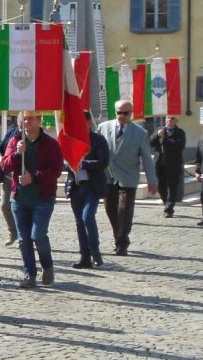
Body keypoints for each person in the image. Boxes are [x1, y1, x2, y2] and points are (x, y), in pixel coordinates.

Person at [1, 111, 63, 287]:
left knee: (38, 235)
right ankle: (30, 274)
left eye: (30, 118)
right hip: (20, 199)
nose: (26, 122)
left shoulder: (51, 144)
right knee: (24, 239)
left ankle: (47, 265)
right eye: (23, 119)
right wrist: (16, 155)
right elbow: (5, 166)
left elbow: (56, 170)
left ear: (39, 120)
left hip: (43, 198)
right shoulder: (15, 142)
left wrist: (34, 178)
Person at [97, 100, 158, 256]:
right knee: (111, 209)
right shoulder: (103, 128)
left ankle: (122, 241)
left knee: (124, 210)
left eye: (125, 113)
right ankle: (118, 236)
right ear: (115, 112)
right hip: (108, 176)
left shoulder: (140, 133)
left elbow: (146, 158)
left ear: (131, 113)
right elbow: (97, 150)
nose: (121, 116)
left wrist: (152, 180)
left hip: (128, 177)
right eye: (119, 112)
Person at [67, 111, 110, 268]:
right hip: (75, 186)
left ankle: (95, 253)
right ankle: (84, 257)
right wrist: (70, 163)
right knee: (79, 222)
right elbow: (64, 161)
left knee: (87, 218)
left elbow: (103, 161)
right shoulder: (70, 139)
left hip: (92, 186)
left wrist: (84, 164)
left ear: (88, 123)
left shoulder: (98, 140)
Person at [0, 117, 20, 246]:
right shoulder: (11, 132)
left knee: (21, 208)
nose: (24, 122)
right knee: (4, 205)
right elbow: (3, 152)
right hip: (8, 177)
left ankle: (25, 235)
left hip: (22, 178)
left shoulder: (32, 135)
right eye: (21, 119)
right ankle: (13, 232)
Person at [151, 115, 186, 218]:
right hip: (159, 164)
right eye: (168, 118)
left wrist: (164, 140)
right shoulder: (159, 130)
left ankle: (169, 209)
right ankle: (167, 202)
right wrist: (157, 136)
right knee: (161, 187)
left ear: (176, 121)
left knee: (172, 187)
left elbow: (179, 146)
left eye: (172, 118)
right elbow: (151, 142)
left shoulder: (180, 132)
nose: (169, 119)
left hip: (173, 164)